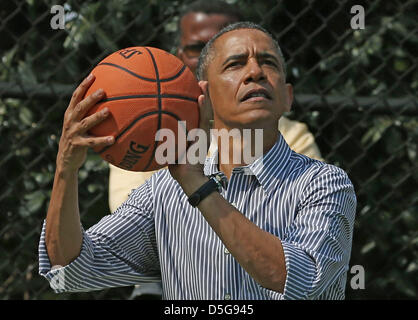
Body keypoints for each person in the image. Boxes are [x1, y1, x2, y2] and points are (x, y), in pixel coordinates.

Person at [39, 22, 356, 299]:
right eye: (235, 64)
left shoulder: (324, 184)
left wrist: (197, 185)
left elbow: (299, 280)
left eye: (268, 63)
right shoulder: (164, 191)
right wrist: (66, 168)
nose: (255, 72)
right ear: (201, 94)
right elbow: (70, 270)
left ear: (287, 96)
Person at [108, 0, 322, 214]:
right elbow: (131, 220)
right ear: (179, 58)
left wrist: (196, 189)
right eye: (197, 48)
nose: (206, 59)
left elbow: (302, 214)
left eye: (230, 55)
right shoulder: (144, 127)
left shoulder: (288, 134)